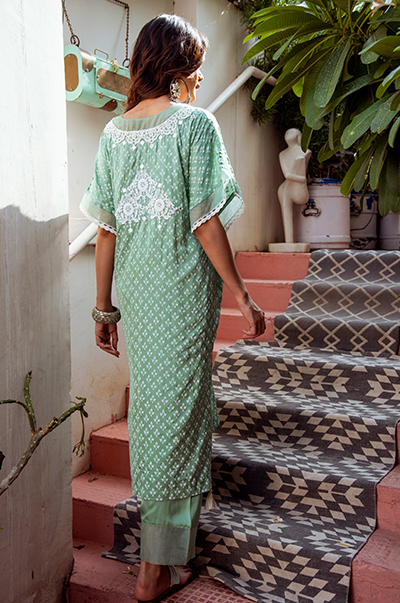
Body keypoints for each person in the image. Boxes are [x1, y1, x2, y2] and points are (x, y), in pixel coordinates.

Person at [80, 13, 265, 603]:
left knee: (160, 412)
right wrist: (242, 294)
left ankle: (164, 556)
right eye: (197, 64)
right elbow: (207, 222)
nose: (202, 75)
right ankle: (153, 569)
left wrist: (104, 309)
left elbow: (105, 230)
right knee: (177, 416)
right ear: (178, 64)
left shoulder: (114, 133)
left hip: (138, 296)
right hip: (182, 293)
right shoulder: (194, 125)